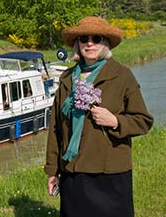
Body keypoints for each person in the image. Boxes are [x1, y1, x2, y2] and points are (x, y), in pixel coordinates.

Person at [44, 16, 154, 217]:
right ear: (77, 44)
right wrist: (53, 170)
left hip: (110, 174)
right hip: (73, 171)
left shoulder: (122, 75)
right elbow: (55, 129)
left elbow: (143, 121)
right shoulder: (67, 79)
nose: (89, 43)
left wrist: (116, 121)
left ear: (105, 43)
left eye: (96, 38)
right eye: (84, 38)